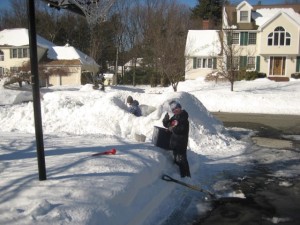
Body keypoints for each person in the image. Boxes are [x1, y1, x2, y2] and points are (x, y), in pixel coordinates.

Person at [162, 100, 191, 178]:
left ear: (180, 107)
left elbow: (181, 130)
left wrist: (172, 129)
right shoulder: (175, 117)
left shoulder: (183, 117)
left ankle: (186, 176)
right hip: (175, 142)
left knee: (182, 160)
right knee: (176, 159)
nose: (175, 110)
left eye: (177, 108)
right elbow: (168, 124)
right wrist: (166, 119)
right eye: (173, 109)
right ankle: (181, 175)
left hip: (181, 143)